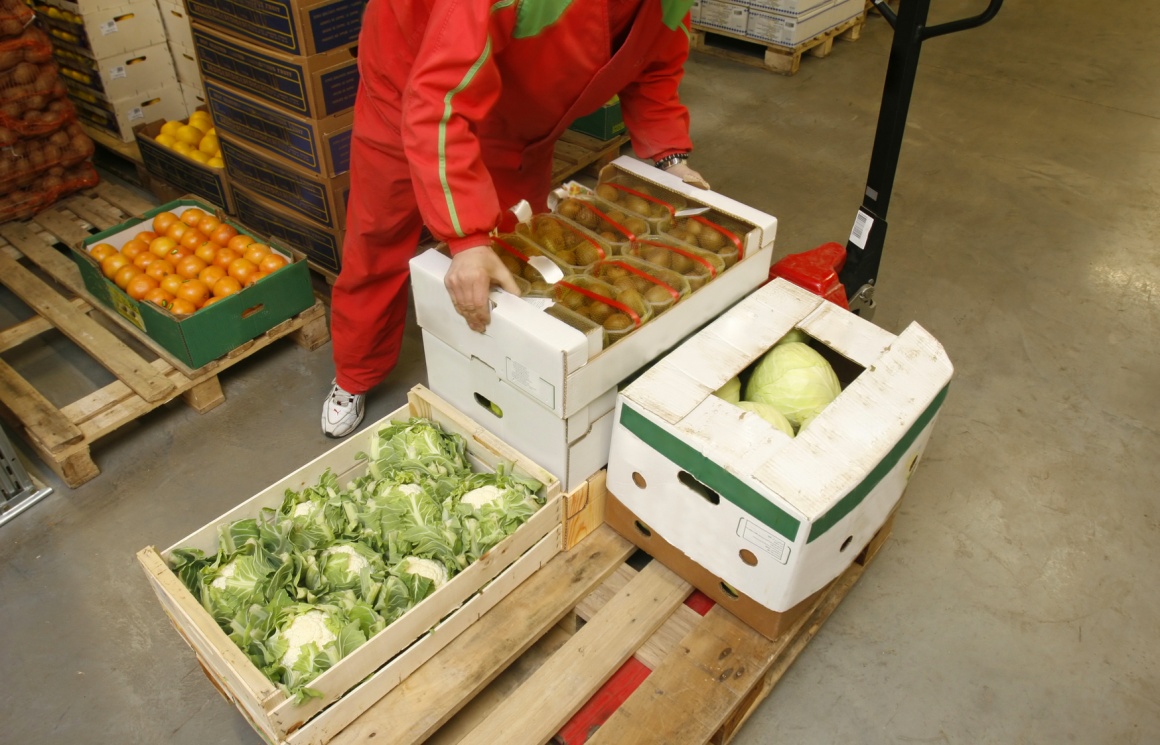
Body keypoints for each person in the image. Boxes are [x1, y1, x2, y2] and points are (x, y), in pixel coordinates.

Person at [322, 0, 710, 437]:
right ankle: (356, 372)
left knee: (520, 247)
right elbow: (438, 100)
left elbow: (652, 65)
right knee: (381, 234)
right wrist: (466, 237)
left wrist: (670, 157)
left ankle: (500, 380)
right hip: (411, 82)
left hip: (516, 114)